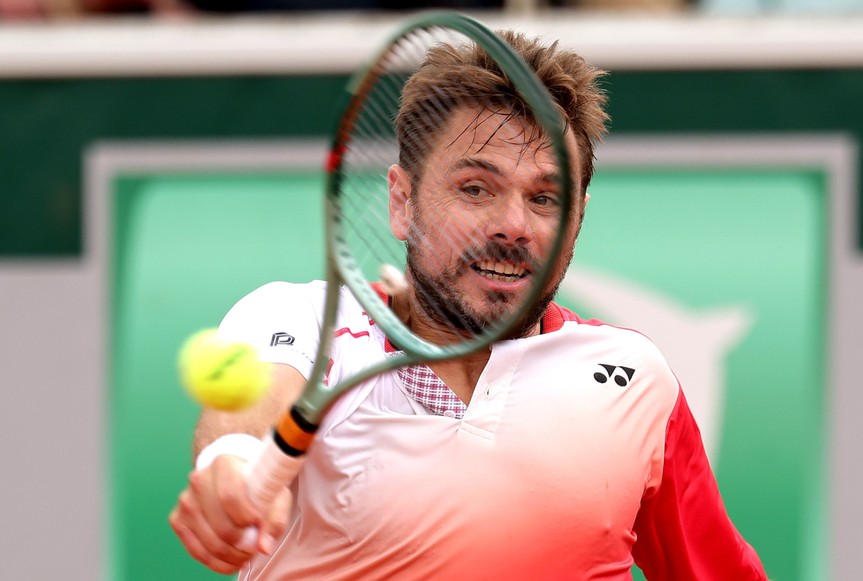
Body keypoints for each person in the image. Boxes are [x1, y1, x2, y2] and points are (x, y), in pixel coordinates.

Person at [169, 29, 768, 580]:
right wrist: (232, 466)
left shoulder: (633, 380)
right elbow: (255, 408)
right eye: (475, 189)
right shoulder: (300, 320)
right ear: (403, 203)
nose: (513, 225)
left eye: (545, 198)